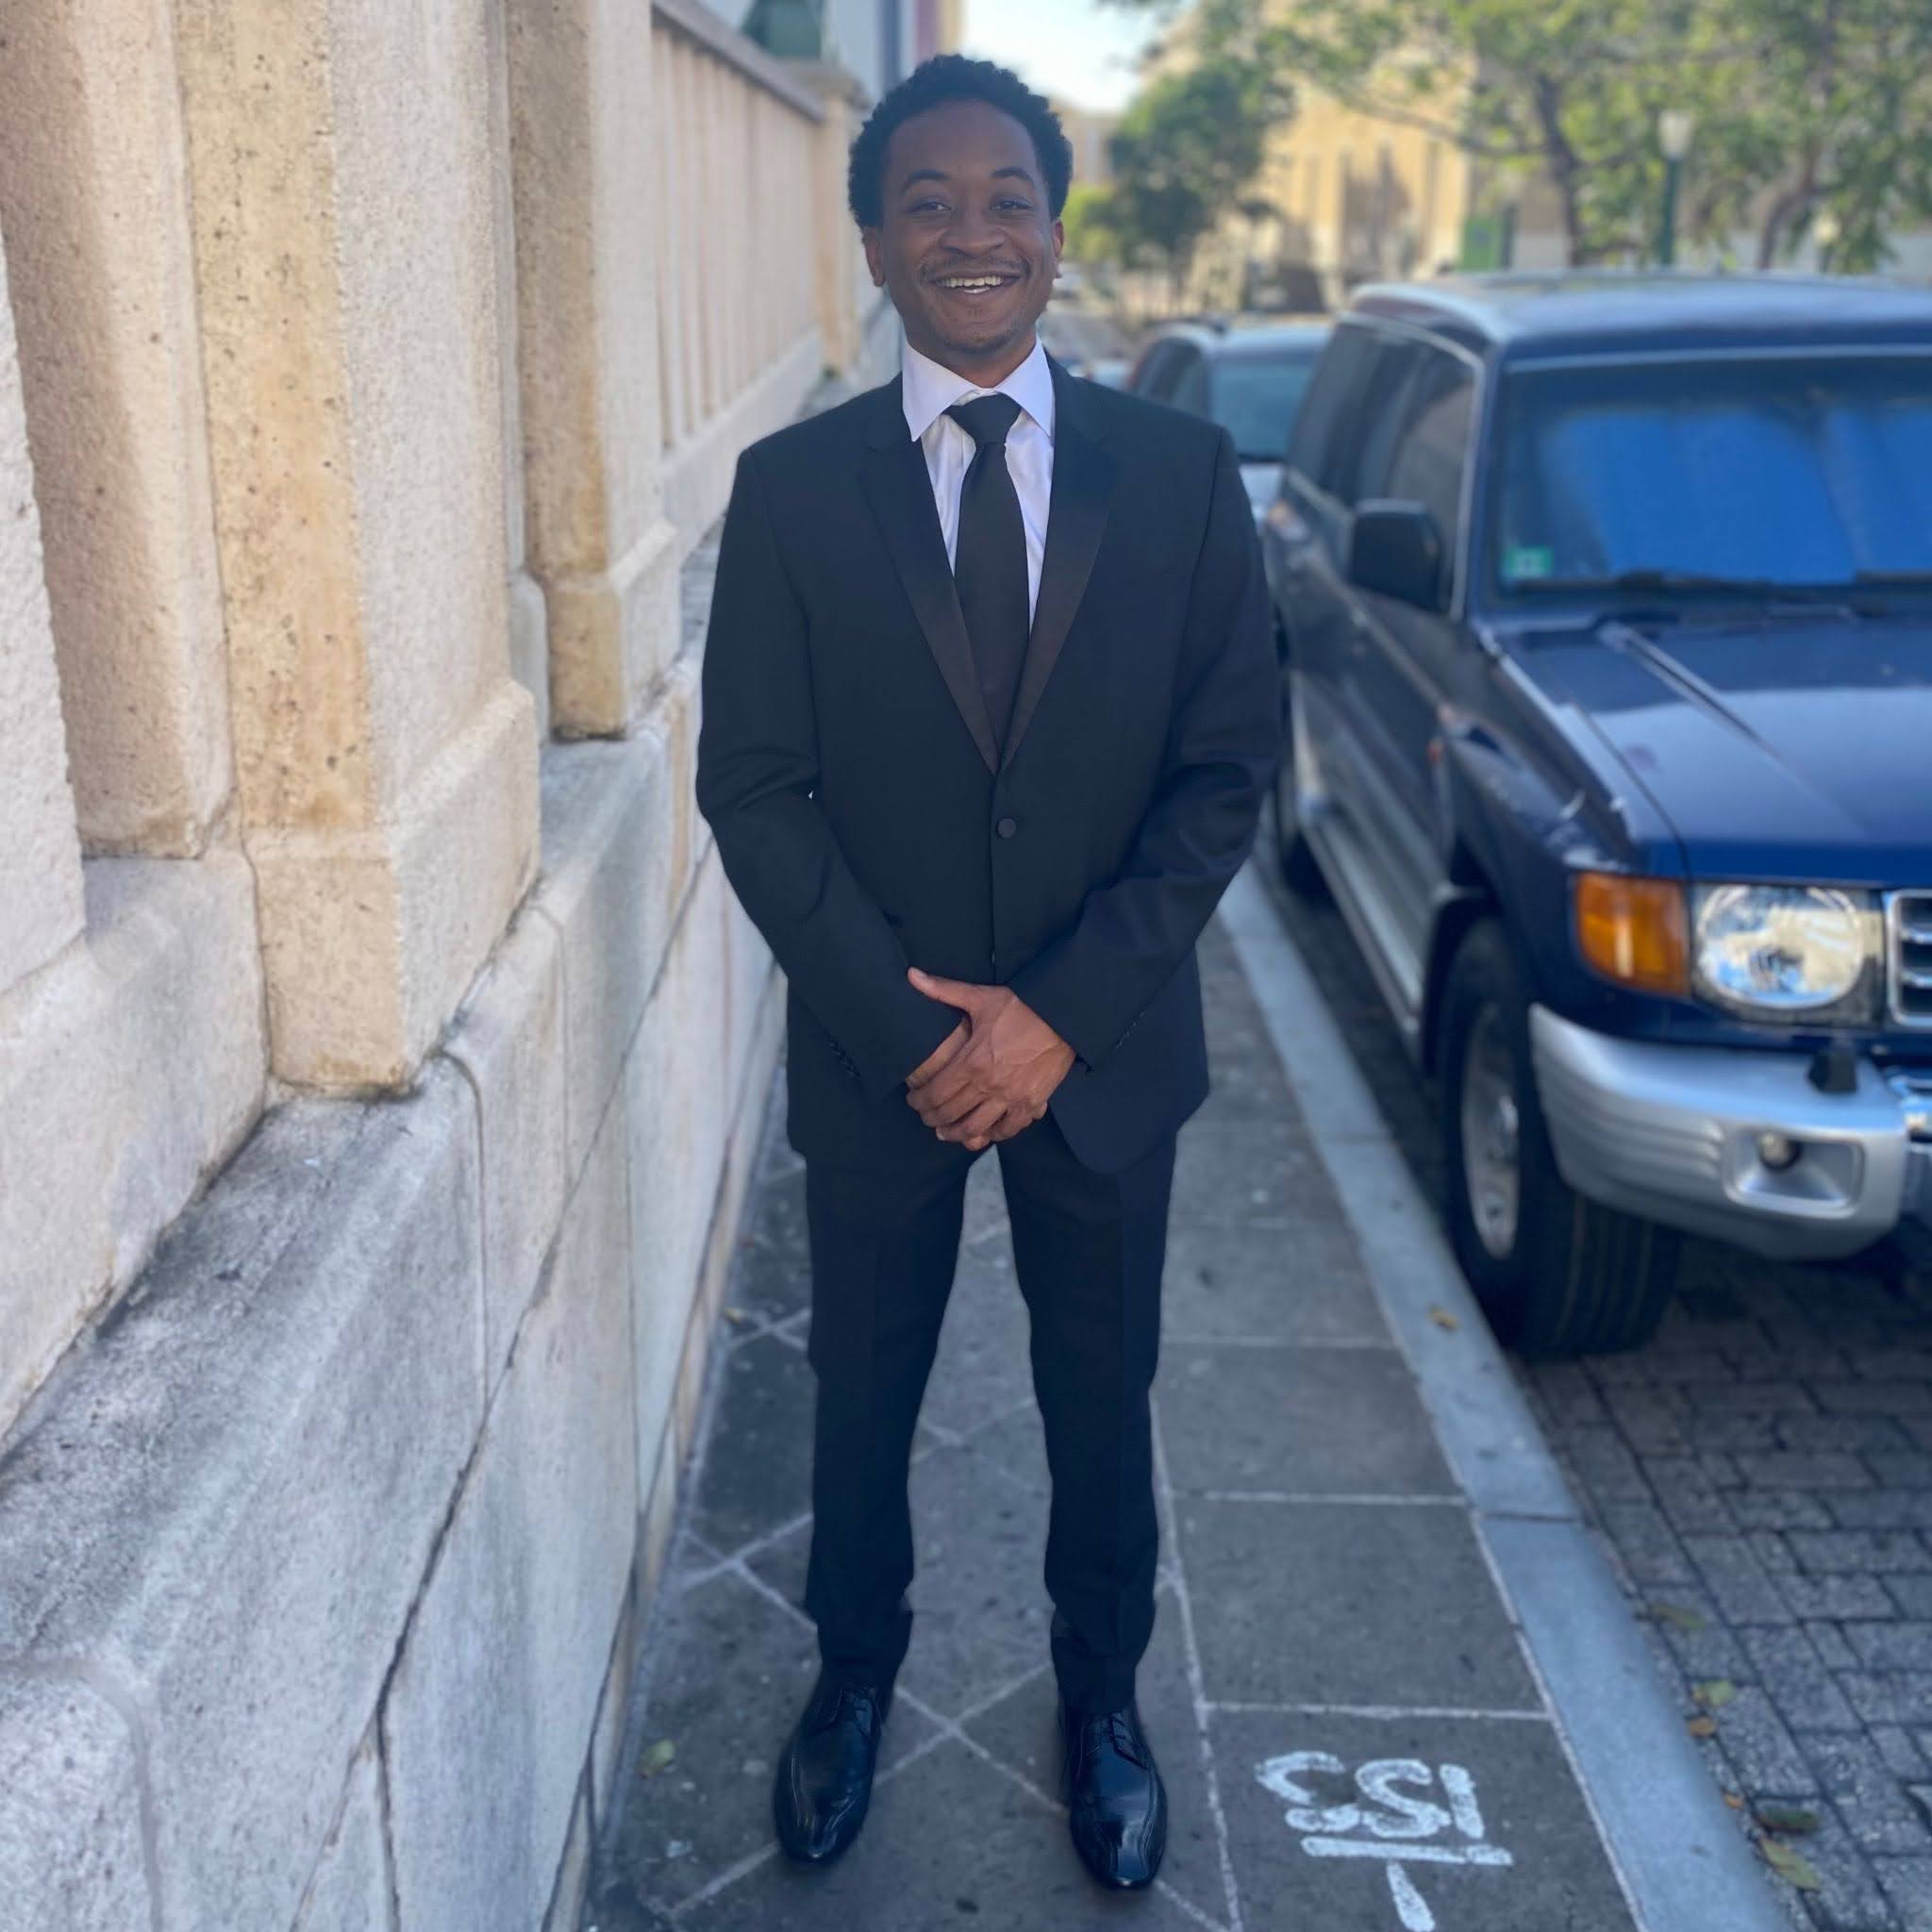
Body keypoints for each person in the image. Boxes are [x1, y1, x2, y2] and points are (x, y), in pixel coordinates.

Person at [695, 53, 1276, 1891]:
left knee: (1101, 1407)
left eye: (1006, 194)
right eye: (927, 199)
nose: (971, 230)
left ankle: (1099, 1697)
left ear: (1052, 222)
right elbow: (755, 790)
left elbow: (1222, 775)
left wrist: (1055, 1021)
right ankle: (849, 1680)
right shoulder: (789, 495)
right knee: (858, 1401)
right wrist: (917, 1028)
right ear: (872, 235)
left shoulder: (1179, 479)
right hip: (886, 1067)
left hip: (1100, 1062)